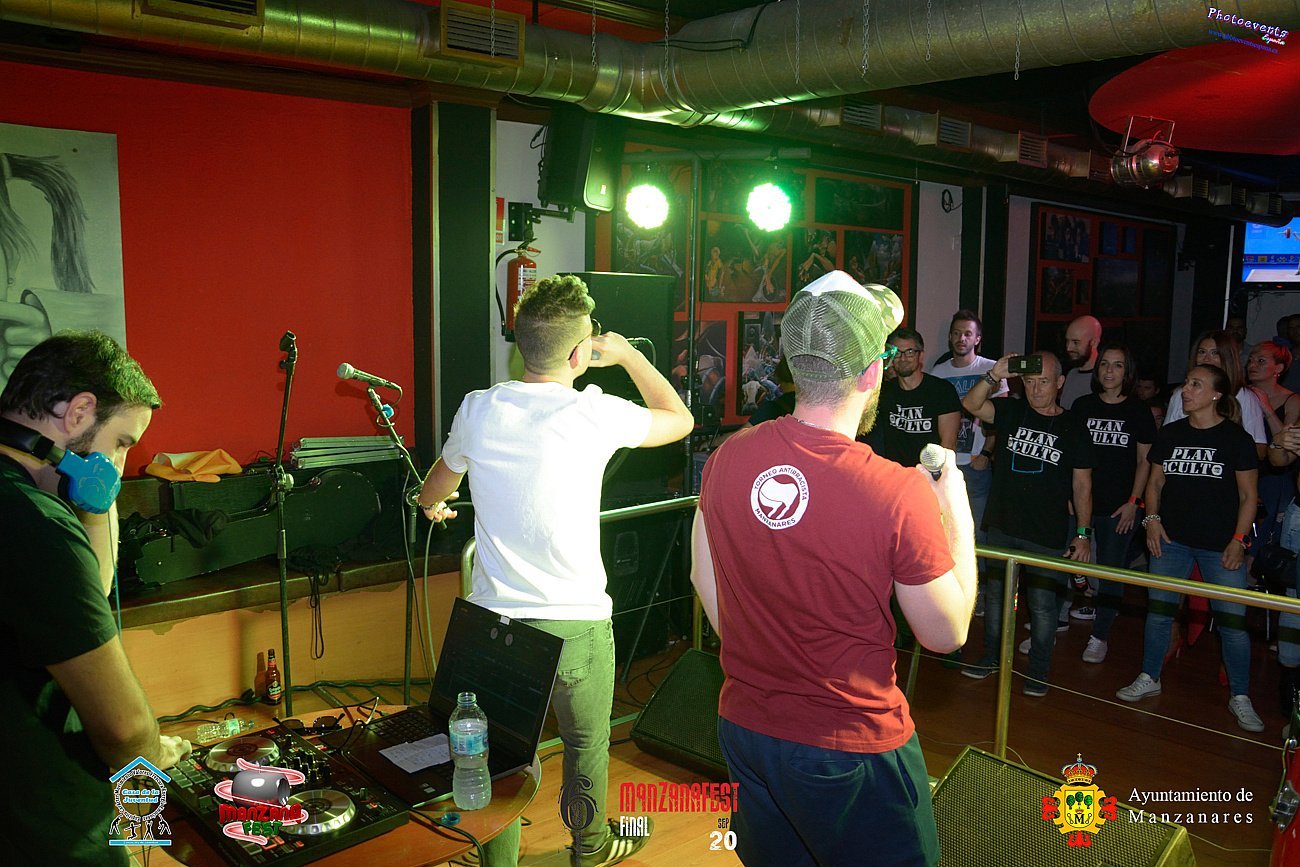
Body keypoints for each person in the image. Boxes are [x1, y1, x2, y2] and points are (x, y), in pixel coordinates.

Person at [692, 271, 976, 867]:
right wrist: (957, 512)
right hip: (851, 747)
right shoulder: (896, 490)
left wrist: (772, 658)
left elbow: (702, 577)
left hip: (745, 729)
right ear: (873, 373)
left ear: (795, 364)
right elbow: (946, 633)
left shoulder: (726, 456)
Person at [416, 275, 692, 867]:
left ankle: (497, 862)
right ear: (578, 354)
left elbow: (436, 484)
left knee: (500, 755)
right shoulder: (595, 412)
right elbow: (679, 418)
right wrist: (628, 356)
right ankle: (590, 849)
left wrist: (433, 502)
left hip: (497, 627)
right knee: (586, 744)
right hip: (577, 624)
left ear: (520, 344)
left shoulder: (479, 407)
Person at [0, 330, 191, 864]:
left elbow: (90, 591)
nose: (120, 466)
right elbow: (123, 728)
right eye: (123, 443)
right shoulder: (34, 524)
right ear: (79, 411)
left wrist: (96, 497)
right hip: (46, 830)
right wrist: (150, 766)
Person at [1116, 364, 1263, 732]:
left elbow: (1249, 497)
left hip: (1221, 547)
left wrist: (1239, 541)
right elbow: (1154, 484)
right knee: (1159, 613)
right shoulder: (1171, 433)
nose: (1186, 389)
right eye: (1186, 383)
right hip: (1172, 542)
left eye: (1196, 384)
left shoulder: (1236, 439)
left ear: (1216, 394)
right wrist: (1152, 520)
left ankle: (1241, 695)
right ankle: (1150, 676)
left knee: (1233, 623)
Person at [959, 351, 1095, 695]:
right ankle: (992, 657)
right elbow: (971, 404)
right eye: (1030, 382)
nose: (1036, 390)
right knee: (996, 599)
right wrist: (995, 374)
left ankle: (1038, 671)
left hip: (1046, 531)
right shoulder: (1012, 410)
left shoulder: (1073, 425)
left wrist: (1083, 533)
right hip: (1002, 523)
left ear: (1060, 383)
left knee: (1043, 607)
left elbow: (1082, 484)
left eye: (1043, 382)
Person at [1068, 344, 1156, 662]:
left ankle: (1100, 636)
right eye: (1105, 364)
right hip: (1082, 502)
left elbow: (1146, 461)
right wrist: (1069, 497)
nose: (1109, 371)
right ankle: (1055, 622)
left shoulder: (1138, 411)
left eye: (1118, 365)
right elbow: (1071, 456)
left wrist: (1134, 501)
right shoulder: (1082, 406)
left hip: (1120, 507)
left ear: (1127, 372)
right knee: (1068, 565)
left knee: (1111, 573)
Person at [930, 310, 1006, 616]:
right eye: (956, 333)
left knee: (978, 533)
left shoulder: (991, 369)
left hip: (977, 465)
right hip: (947, 465)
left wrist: (986, 454)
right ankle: (952, 591)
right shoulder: (938, 372)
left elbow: (1002, 418)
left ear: (977, 339)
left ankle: (981, 593)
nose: (961, 338)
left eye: (967, 334)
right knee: (946, 531)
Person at [1165, 331, 1267, 459]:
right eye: (1202, 352)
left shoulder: (1244, 396)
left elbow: (1259, 450)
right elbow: (1165, 441)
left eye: (1215, 353)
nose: (1207, 359)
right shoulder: (1181, 393)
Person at [872, 326, 961, 467]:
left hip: (927, 474)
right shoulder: (884, 392)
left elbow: (948, 445)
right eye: (897, 353)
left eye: (910, 352)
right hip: (894, 474)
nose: (903, 358)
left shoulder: (943, 391)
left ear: (920, 356)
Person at [1247, 340, 1300, 548]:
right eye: (1251, 360)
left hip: (1275, 475)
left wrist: (1266, 408)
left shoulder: (1292, 399)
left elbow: (1287, 445)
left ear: (1278, 368)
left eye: (1261, 361)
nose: (1252, 365)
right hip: (1245, 468)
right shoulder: (1240, 395)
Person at [1060, 315, 1102, 408]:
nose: (1068, 348)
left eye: (1075, 342)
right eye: (1067, 341)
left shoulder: (1105, 379)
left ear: (1094, 343)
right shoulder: (1071, 374)